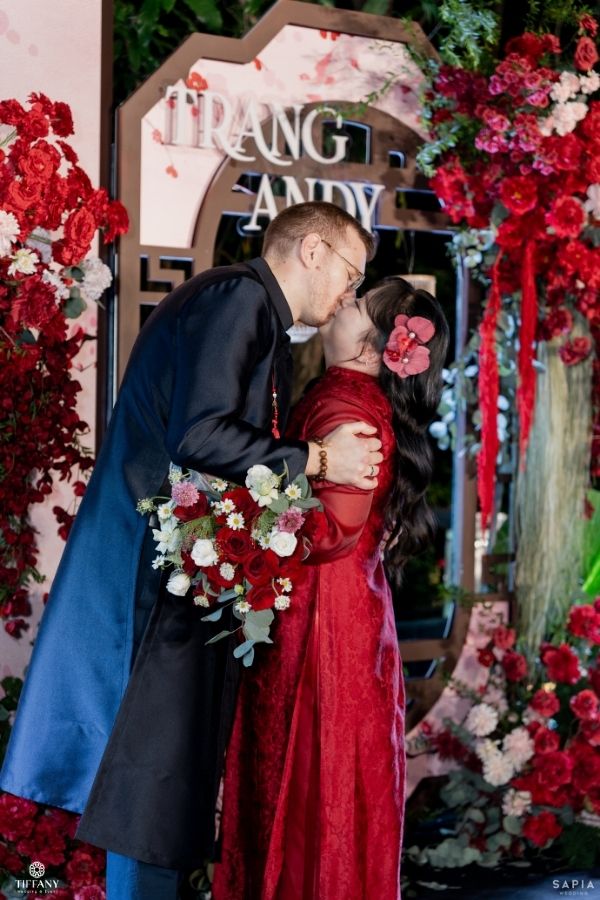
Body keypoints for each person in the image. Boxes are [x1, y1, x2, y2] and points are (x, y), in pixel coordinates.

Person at [0, 202, 385, 895]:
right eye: (351, 275)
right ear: (313, 251)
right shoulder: (238, 299)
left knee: (159, 793)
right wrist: (320, 459)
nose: (347, 296)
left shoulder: (250, 310)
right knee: (150, 789)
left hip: (175, 572)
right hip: (153, 584)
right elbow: (200, 434)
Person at [212, 276, 450, 900]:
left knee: (311, 790)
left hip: (323, 622)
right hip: (338, 610)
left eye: (357, 303)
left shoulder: (348, 407)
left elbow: (328, 530)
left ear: (375, 347)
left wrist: (230, 518)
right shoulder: (346, 395)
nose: (342, 301)